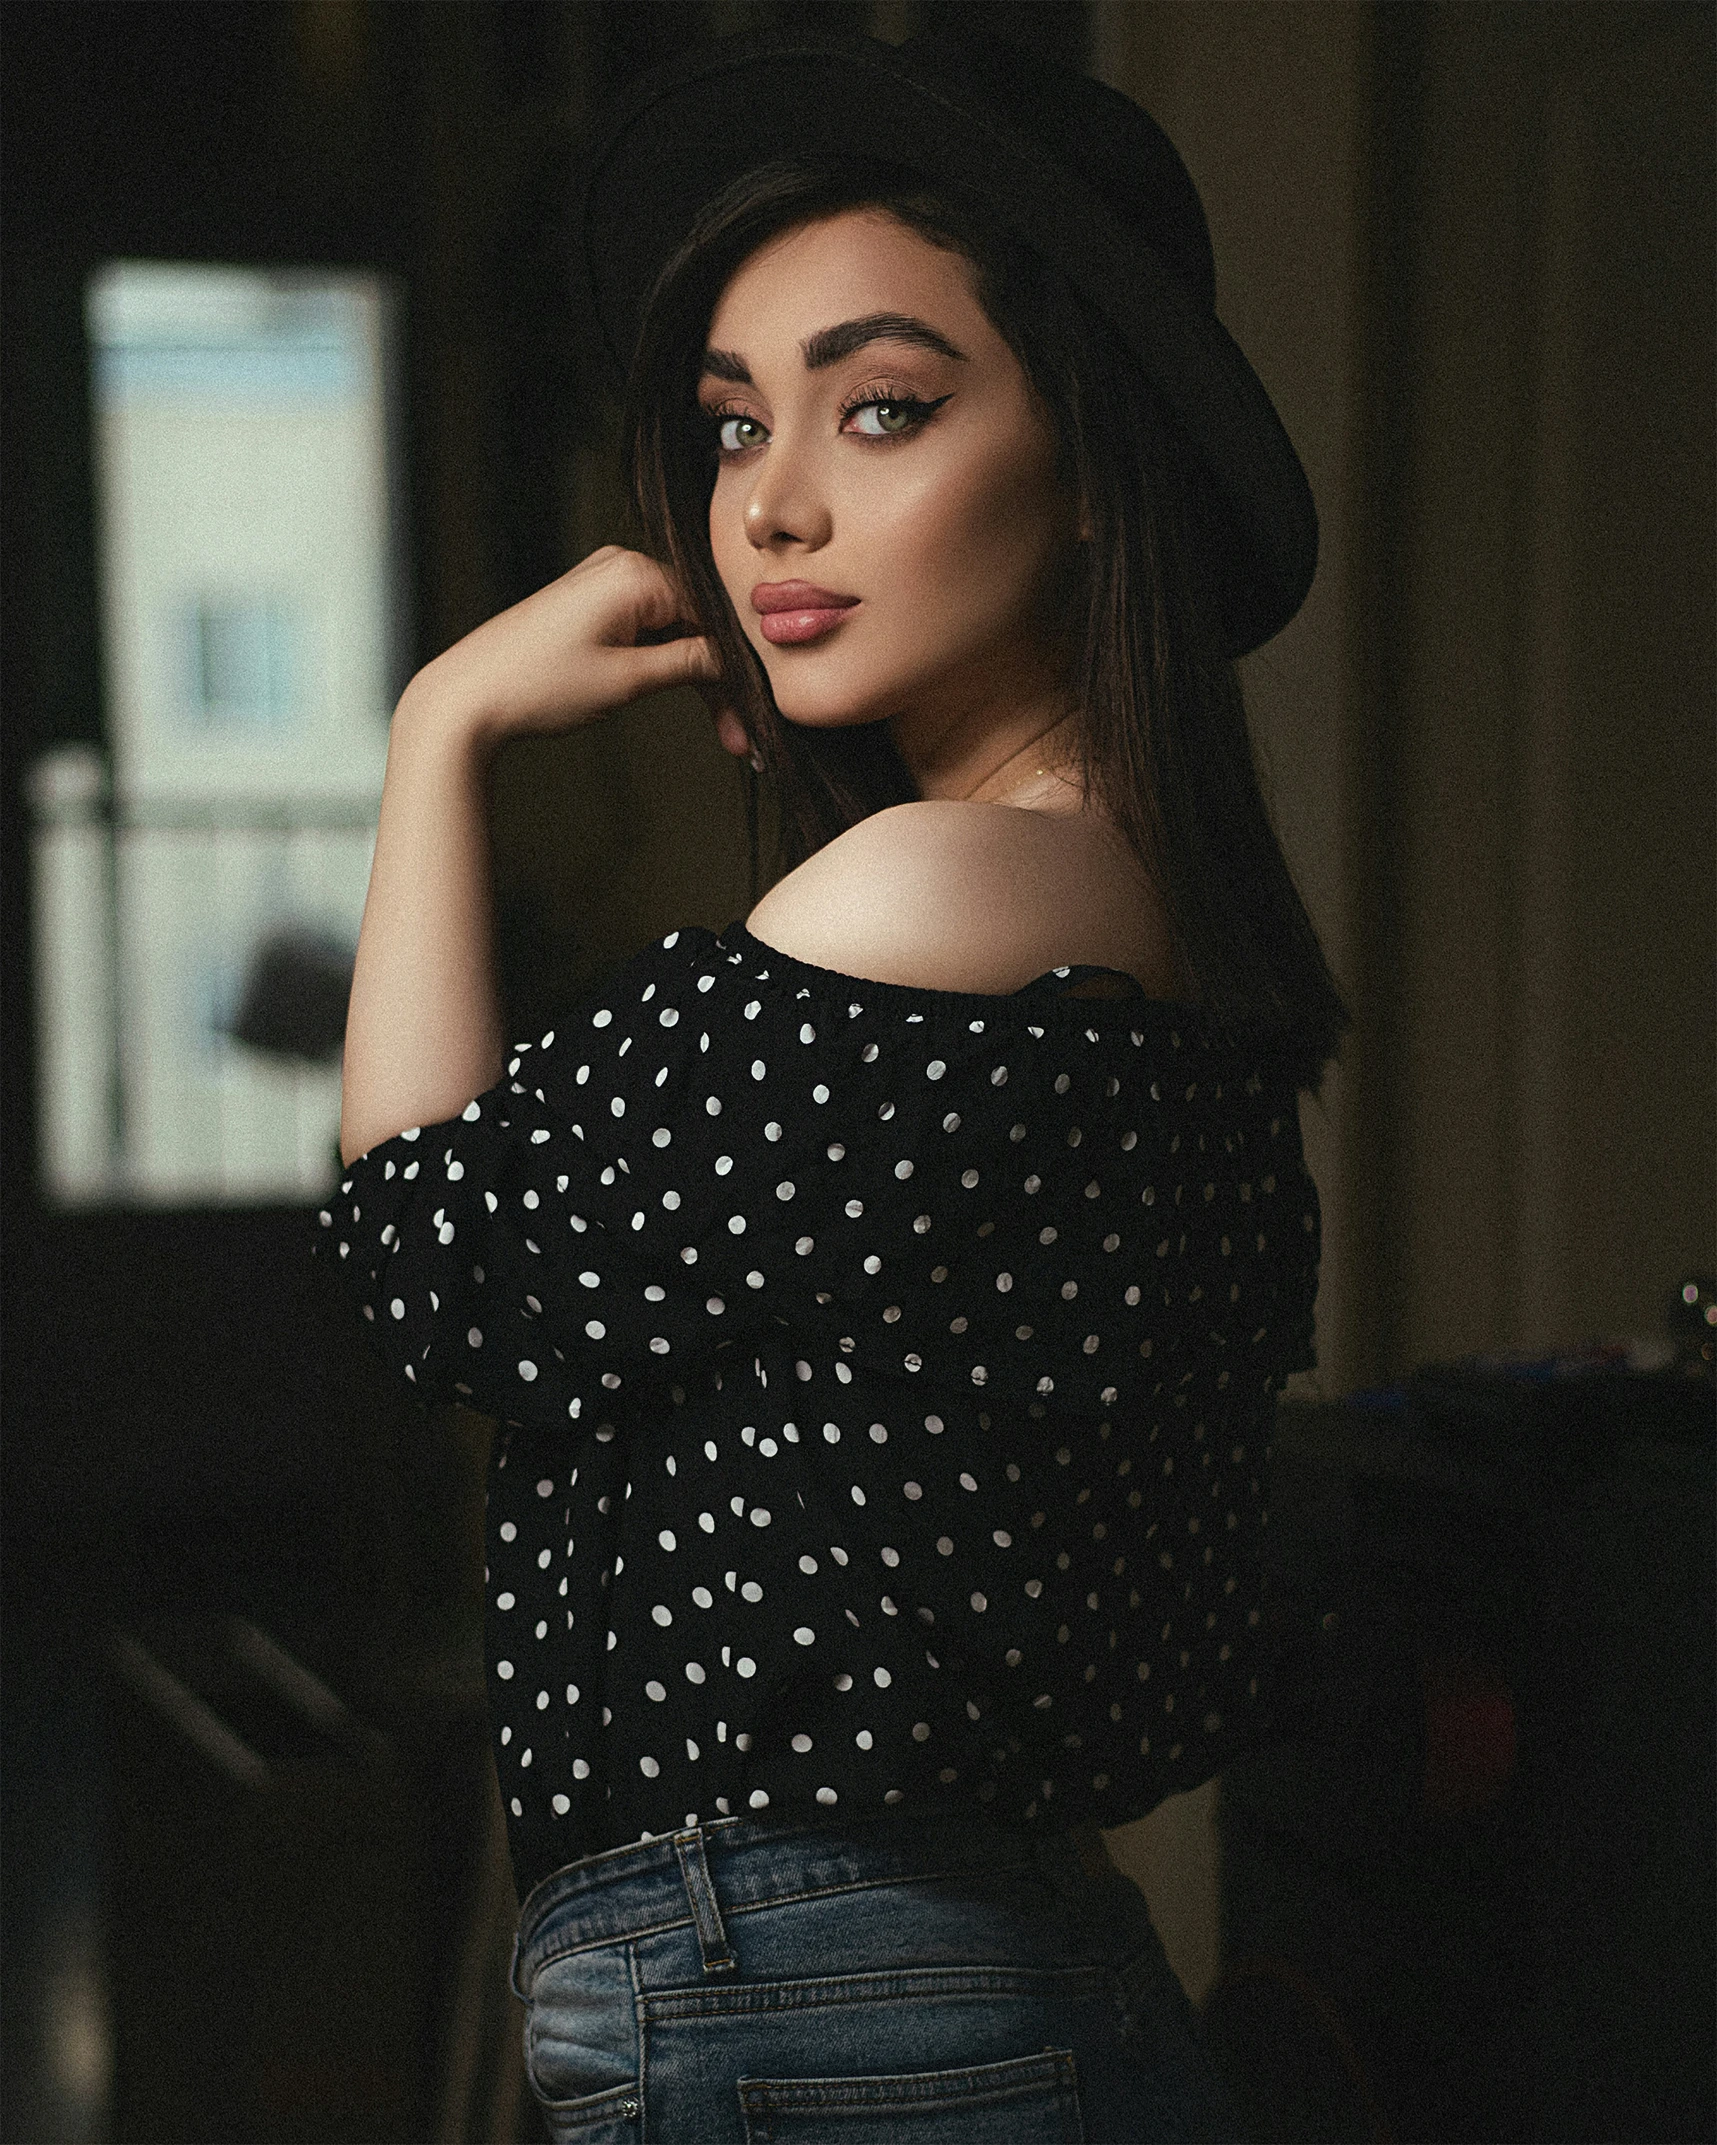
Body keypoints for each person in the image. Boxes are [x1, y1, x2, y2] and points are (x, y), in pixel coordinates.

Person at [318, 25, 1346, 2142]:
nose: (767, 499)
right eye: (726, 425)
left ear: (1086, 472)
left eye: (885, 407)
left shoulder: (936, 893)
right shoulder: (1123, 916)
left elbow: (434, 1251)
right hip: (965, 1970)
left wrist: (439, 735)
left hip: (818, 1991)